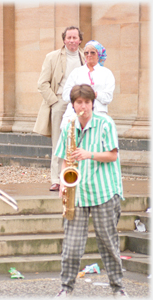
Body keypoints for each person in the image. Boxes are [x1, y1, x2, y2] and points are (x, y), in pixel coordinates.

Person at [54, 84, 128, 297]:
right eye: (79, 102)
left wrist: (89, 154)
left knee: (108, 243)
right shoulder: (69, 125)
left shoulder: (105, 122)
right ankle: (65, 289)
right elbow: (64, 159)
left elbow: (113, 155)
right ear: (73, 105)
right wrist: (62, 181)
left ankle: (118, 288)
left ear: (92, 103)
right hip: (77, 193)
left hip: (104, 191)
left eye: (87, 102)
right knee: (72, 246)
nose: (83, 107)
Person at [33, 26, 85, 192]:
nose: (71, 40)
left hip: (80, 104)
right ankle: (56, 179)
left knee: (81, 141)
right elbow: (42, 83)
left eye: (74, 37)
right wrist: (54, 102)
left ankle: (77, 177)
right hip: (60, 102)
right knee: (58, 142)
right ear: (64, 40)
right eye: (68, 37)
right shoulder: (52, 57)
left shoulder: (85, 56)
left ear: (80, 40)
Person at [60, 40, 115, 129]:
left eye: (92, 52)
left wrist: (94, 94)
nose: (89, 55)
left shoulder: (106, 73)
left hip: (98, 114)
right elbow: (66, 95)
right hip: (75, 115)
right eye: (86, 53)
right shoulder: (76, 72)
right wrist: (80, 94)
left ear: (98, 54)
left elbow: (108, 97)